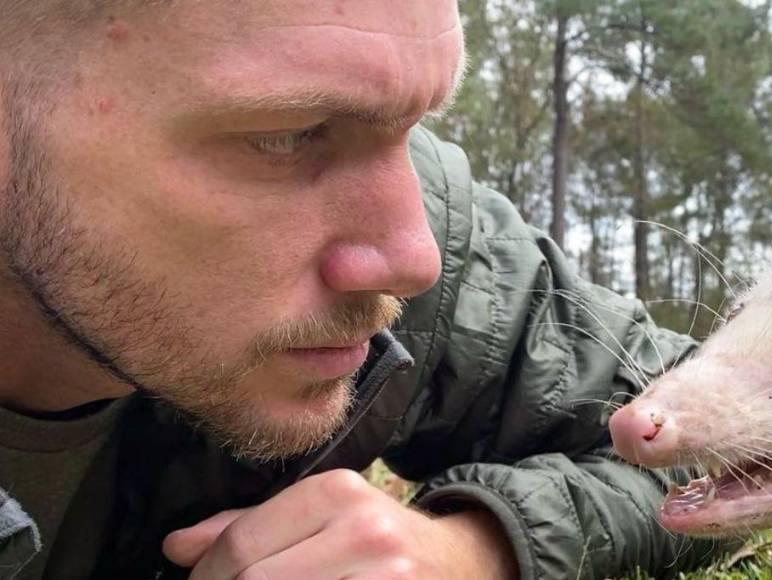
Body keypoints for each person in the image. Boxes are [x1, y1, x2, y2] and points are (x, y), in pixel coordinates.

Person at [0, 1, 721, 578]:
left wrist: (477, 549)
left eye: (417, 126)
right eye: (288, 135)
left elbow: (725, 431)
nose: (414, 258)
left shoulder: (412, 223)